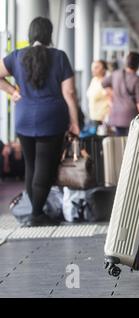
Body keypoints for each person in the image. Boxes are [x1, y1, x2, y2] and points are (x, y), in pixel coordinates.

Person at [0, 17, 80, 227]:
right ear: (49, 34)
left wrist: (12, 92)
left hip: (24, 117)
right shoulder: (59, 57)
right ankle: (36, 214)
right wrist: (75, 122)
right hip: (51, 118)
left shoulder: (17, 56)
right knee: (45, 165)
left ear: (31, 33)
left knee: (31, 165)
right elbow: (69, 92)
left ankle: (35, 210)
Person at [102, 52, 139, 136]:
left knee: (119, 142)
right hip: (131, 118)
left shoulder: (115, 74)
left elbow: (104, 83)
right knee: (130, 144)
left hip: (115, 116)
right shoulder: (138, 80)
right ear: (138, 64)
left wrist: (112, 94)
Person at [87, 60, 110, 128]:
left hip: (102, 120)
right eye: (93, 67)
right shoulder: (94, 80)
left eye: (96, 67)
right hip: (93, 118)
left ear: (104, 69)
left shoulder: (106, 82)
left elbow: (111, 100)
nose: (93, 70)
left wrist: (107, 118)